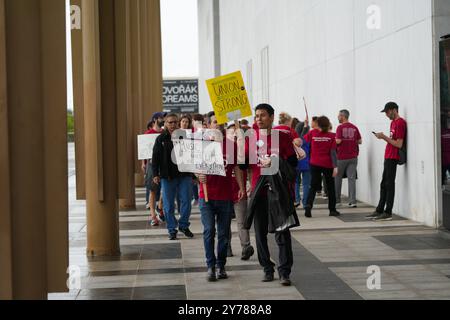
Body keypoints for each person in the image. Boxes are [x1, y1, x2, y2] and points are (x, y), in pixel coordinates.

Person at [241, 104, 298, 286]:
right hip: (259, 191)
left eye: (263, 115)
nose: (259, 118)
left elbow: (292, 163)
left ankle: (284, 271)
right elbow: (244, 166)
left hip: (279, 191)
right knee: (259, 233)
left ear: (272, 117)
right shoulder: (251, 138)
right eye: (257, 116)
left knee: (282, 232)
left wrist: (275, 161)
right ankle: (267, 268)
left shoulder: (282, 137)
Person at [197, 115, 246, 282]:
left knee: (224, 233)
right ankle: (210, 266)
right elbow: (191, 167)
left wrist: (241, 187)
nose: (219, 124)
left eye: (222, 122)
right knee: (209, 230)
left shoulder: (231, 146)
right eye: (215, 121)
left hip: (225, 196)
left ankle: (221, 265)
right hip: (207, 196)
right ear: (209, 125)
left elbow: (237, 168)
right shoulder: (202, 145)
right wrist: (197, 175)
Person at [152, 113, 194, 240]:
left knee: (186, 202)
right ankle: (172, 229)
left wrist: (194, 174)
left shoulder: (185, 136)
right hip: (167, 177)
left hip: (184, 175)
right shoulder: (160, 139)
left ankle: (183, 225)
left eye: (175, 122)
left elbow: (192, 154)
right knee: (168, 205)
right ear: (165, 124)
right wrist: (155, 174)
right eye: (170, 122)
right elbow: (155, 158)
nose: (173, 125)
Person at [367, 102, 407, 221]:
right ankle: (379, 210)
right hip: (388, 155)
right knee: (383, 184)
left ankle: (388, 211)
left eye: (387, 112)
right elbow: (393, 140)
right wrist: (384, 137)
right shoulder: (393, 123)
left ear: (394, 110)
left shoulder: (400, 123)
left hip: (393, 156)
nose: (386, 114)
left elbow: (399, 144)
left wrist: (384, 137)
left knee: (389, 184)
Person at [227, 123, 255, 261]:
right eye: (231, 133)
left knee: (242, 221)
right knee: (224, 221)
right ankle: (226, 246)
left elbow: (250, 169)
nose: (234, 136)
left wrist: (250, 184)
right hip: (224, 192)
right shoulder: (221, 149)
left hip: (240, 191)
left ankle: (246, 247)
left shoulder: (244, 152)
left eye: (237, 134)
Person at [304, 116, 341, 218]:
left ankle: (308, 204)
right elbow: (333, 152)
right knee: (330, 187)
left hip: (314, 163)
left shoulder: (312, 133)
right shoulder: (332, 135)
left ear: (318, 124)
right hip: (327, 164)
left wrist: (306, 126)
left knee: (313, 186)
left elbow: (302, 139)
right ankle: (332, 210)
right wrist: (335, 166)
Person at [335, 110, 362, 208]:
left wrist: (333, 141)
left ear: (343, 116)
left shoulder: (340, 127)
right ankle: (352, 201)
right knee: (352, 179)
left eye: (339, 115)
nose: (338, 117)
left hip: (341, 157)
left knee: (337, 179)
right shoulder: (354, 127)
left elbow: (338, 141)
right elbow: (360, 141)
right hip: (353, 157)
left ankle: (337, 201)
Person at [142, 112, 166, 226]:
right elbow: (144, 150)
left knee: (163, 189)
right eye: (161, 117)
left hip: (164, 164)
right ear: (155, 119)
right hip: (151, 165)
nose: (163, 119)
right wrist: (144, 163)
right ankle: (153, 216)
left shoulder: (165, 133)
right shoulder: (148, 133)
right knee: (152, 190)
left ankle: (159, 206)